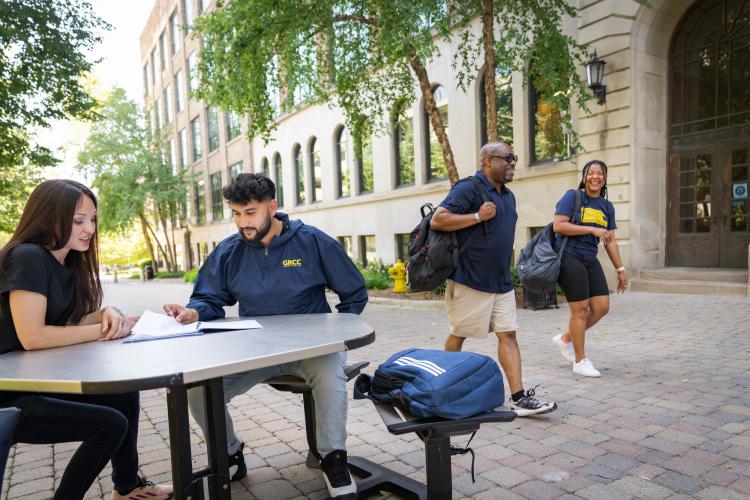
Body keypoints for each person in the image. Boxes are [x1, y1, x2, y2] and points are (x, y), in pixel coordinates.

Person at [163, 173, 367, 499]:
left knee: (331, 375)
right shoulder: (229, 252)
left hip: (310, 349)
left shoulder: (313, 242)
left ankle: (333, 458)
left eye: (251, 212)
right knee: (198, 391)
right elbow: (208, 298)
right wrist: (193, 313)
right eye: (237, 213)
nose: (243, 222)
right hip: (254, 348)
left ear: (272, 207)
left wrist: (339, 329)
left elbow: (354, 293)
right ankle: (230, 455)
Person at [0, 180, 172, 500]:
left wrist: (110, 314)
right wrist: (102, 330)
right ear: (48, 217)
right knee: (110, 424)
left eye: (92, 219)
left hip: (35, 383)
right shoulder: (27, 257)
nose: (89, 228)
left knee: (123, 393)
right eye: (78, 220)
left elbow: (68, 323)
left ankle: (128, 487)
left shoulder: (67, 261)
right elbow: (33, 336)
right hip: (8, 395)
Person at [430, 142, 557, 417]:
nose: (513, 163)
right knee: (459, 333)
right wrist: (477, 216)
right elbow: (438, 221)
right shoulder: (469, 189)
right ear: (488, 160)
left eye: (515, 157)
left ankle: (519, 398)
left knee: (508, 334)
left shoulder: (508, 196)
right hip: (470, 280)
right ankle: (441, 388)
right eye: (507, 158)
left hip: (501, 282)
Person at [551, 160, 627, 377]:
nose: (595, 176)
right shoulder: (573, 197)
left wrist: (620, 269)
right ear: (584, 177)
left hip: (589, 258)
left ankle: (566, 338)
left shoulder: (606, 206)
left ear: (604, 178)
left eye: (600, 173)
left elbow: (610, 240)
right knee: (580, 309)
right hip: (568, 255)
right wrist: (592, 231)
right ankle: (579, 360)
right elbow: (559, 225)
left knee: (602, 306)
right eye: (591, 173)